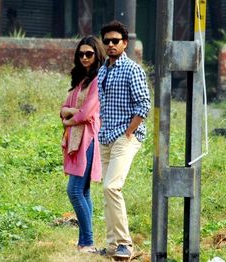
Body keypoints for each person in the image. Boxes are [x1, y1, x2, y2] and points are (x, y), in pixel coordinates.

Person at [97, 20, 151, 259]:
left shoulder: (132, 69)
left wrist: (129, 131)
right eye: (107, 41)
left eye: (115, 41)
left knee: (112, 186)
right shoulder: (102, 70)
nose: (110, 45)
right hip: (106, 136)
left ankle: (125, 245)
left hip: (125, 136)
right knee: (107, 192)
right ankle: (111, 246)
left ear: (125, 43)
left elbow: (144, 105)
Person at [60, 36, 105, 253]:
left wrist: (70, 117)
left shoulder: (98, 79)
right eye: (81, 54)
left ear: (97, 55)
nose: (84, 58)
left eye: (89, 54)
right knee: (84, 190)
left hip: (87, 139)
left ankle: (88, 242)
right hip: (75, 138)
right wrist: (71, 114)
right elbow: (64, 107)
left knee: (75, 190)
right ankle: (83, 242)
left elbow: (88, 113)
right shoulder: (80, 80)